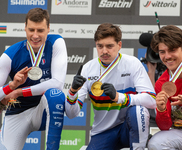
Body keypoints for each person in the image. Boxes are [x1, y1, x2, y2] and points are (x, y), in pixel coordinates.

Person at [65, 23, 156, 150]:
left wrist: (120, 97)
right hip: (103, 132)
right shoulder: (87, 68)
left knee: (138, 111)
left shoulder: (132, 63)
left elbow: (152, 100)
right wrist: (72, 91)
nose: (104, 51)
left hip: (128, 128)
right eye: (100, 46)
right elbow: (71, 114)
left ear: (119, 45)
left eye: (109, 46)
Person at [0, 8, 68, 150]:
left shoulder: (56, 42)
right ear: (25, 27)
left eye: (40, 30)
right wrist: (12, 86)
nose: (35, 35)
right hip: (17, 112)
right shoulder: (10, 54)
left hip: (42, 111)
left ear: (48, 29)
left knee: (55, 95)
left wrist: (19, 91)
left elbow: (58, 83)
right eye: (31, 30)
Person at [147, 25, 182, 150]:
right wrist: (161, 109)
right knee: (156, 143)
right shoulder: (161, 83)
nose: (167, 56)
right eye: (162, 52)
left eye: (172, 50)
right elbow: (165, 127)